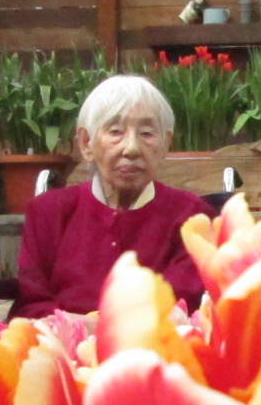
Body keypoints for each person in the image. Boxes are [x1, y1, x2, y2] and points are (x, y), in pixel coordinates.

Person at [14, 74, 212, 317]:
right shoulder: (48, 213)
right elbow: (31, 304)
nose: (131, 148)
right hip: (61, 340)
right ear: (86, 143)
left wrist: (103, 328)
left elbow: (180, 306)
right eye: (116, 131)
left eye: (147, 133)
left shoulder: (192, 217)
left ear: (165, 144)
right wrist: (80, 328)